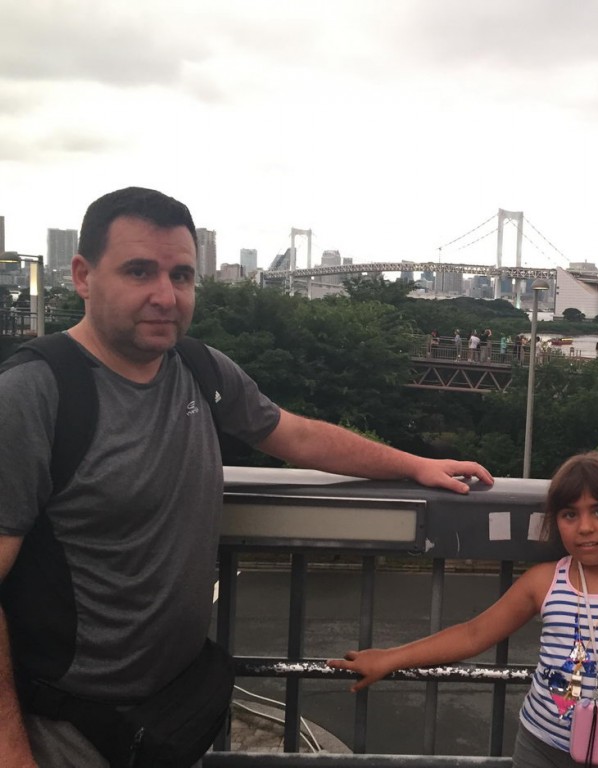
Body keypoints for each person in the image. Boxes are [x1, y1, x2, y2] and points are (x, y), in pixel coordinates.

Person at [0, 187, 494, 767]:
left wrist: (413, 465)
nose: (165, 295)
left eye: (181, 276)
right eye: (139, 271)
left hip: (168, 712)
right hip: (64, 728)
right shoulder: (33, 396)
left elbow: (295, 434)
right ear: (82, 276)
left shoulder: (198, 368)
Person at [329, 452, 598, 768]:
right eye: (570, 515)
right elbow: (473, 633)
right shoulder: (544, 581)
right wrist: (390, 658)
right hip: (542, 748)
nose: (585, 527)